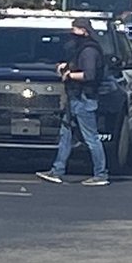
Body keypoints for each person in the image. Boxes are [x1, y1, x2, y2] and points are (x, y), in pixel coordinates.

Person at [37, 17, 109, 186]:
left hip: (84, 98)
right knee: (66, 135)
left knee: (91, 138)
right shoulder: (82, 49)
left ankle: (100, 174)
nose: (72, 33)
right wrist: (66, 66)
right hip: (75, 98)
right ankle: (57, 171)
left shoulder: (89, 51)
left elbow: (89, 75)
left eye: (75, 29)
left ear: (84, 31)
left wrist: (69, 75)